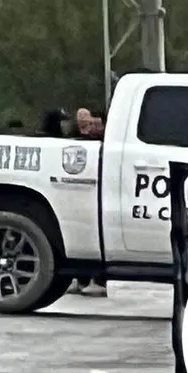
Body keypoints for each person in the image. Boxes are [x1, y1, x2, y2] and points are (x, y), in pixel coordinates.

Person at [69, 106, 108, 296]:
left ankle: (100, 281)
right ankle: (81, 280)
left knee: (96, 237)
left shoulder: (101, 140)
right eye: (82, 118)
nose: (86, 122)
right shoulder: (73, 137)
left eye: (88, 119)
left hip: (98, 192)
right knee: (80, 236)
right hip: (81, 191)